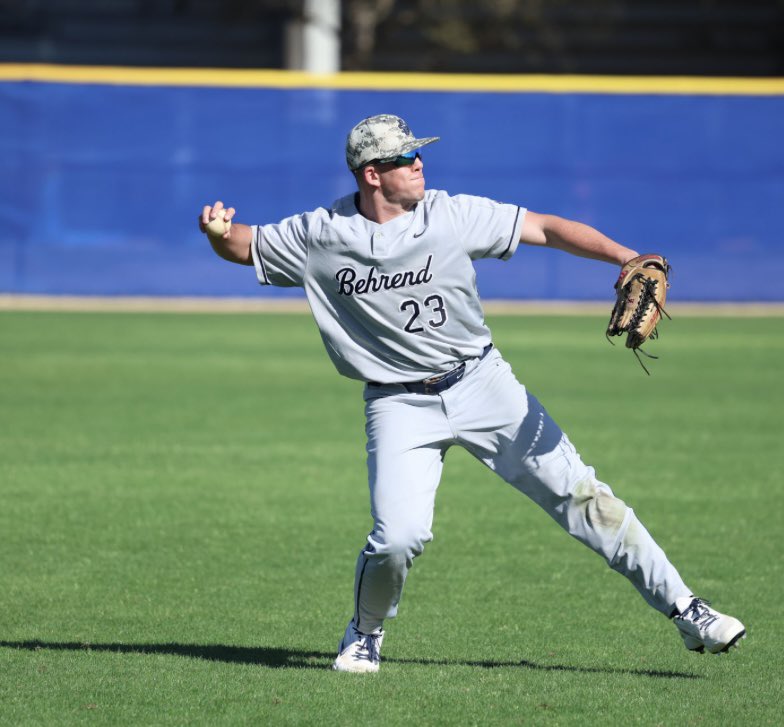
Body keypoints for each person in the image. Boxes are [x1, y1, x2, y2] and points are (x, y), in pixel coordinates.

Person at [199, 114, 745, 674]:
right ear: (371, 175)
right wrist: (218, 234)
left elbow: (547, 228)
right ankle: (365, 633)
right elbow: (247, 246)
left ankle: (686, 609)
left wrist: (627, 256)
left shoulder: (450, 214)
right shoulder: (322, 234)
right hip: (398, 403)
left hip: (483, 384)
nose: (418, 164)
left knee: (584, 497)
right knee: (398, 537)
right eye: (403, 158)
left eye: (417, 154)